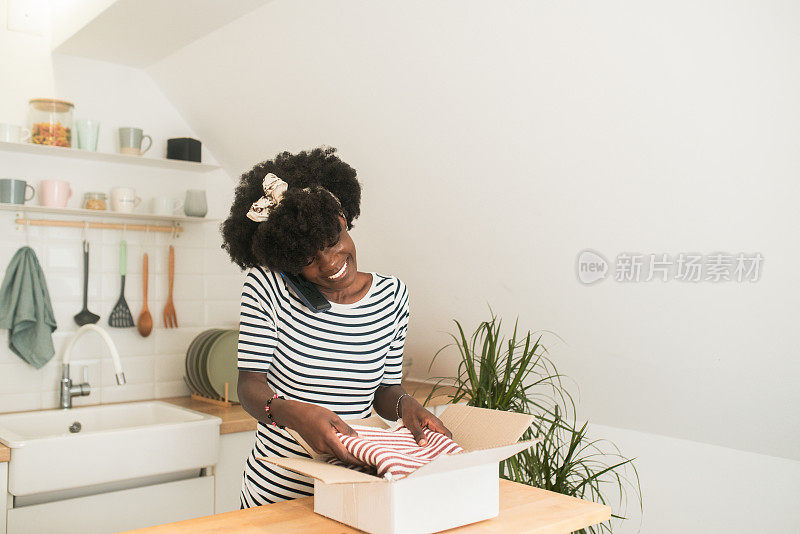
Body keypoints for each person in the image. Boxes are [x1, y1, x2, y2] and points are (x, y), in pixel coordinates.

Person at [220, 146, 453, 508]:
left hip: (353, 493)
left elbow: (384, 389)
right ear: (288, 263)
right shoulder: (267, 286)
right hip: (276, 497)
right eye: (307, 259)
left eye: (332, 242)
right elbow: (250, 384)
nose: (329, 264)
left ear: (343, 220)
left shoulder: (393, 297)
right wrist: (293, 414)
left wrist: (406, 405)